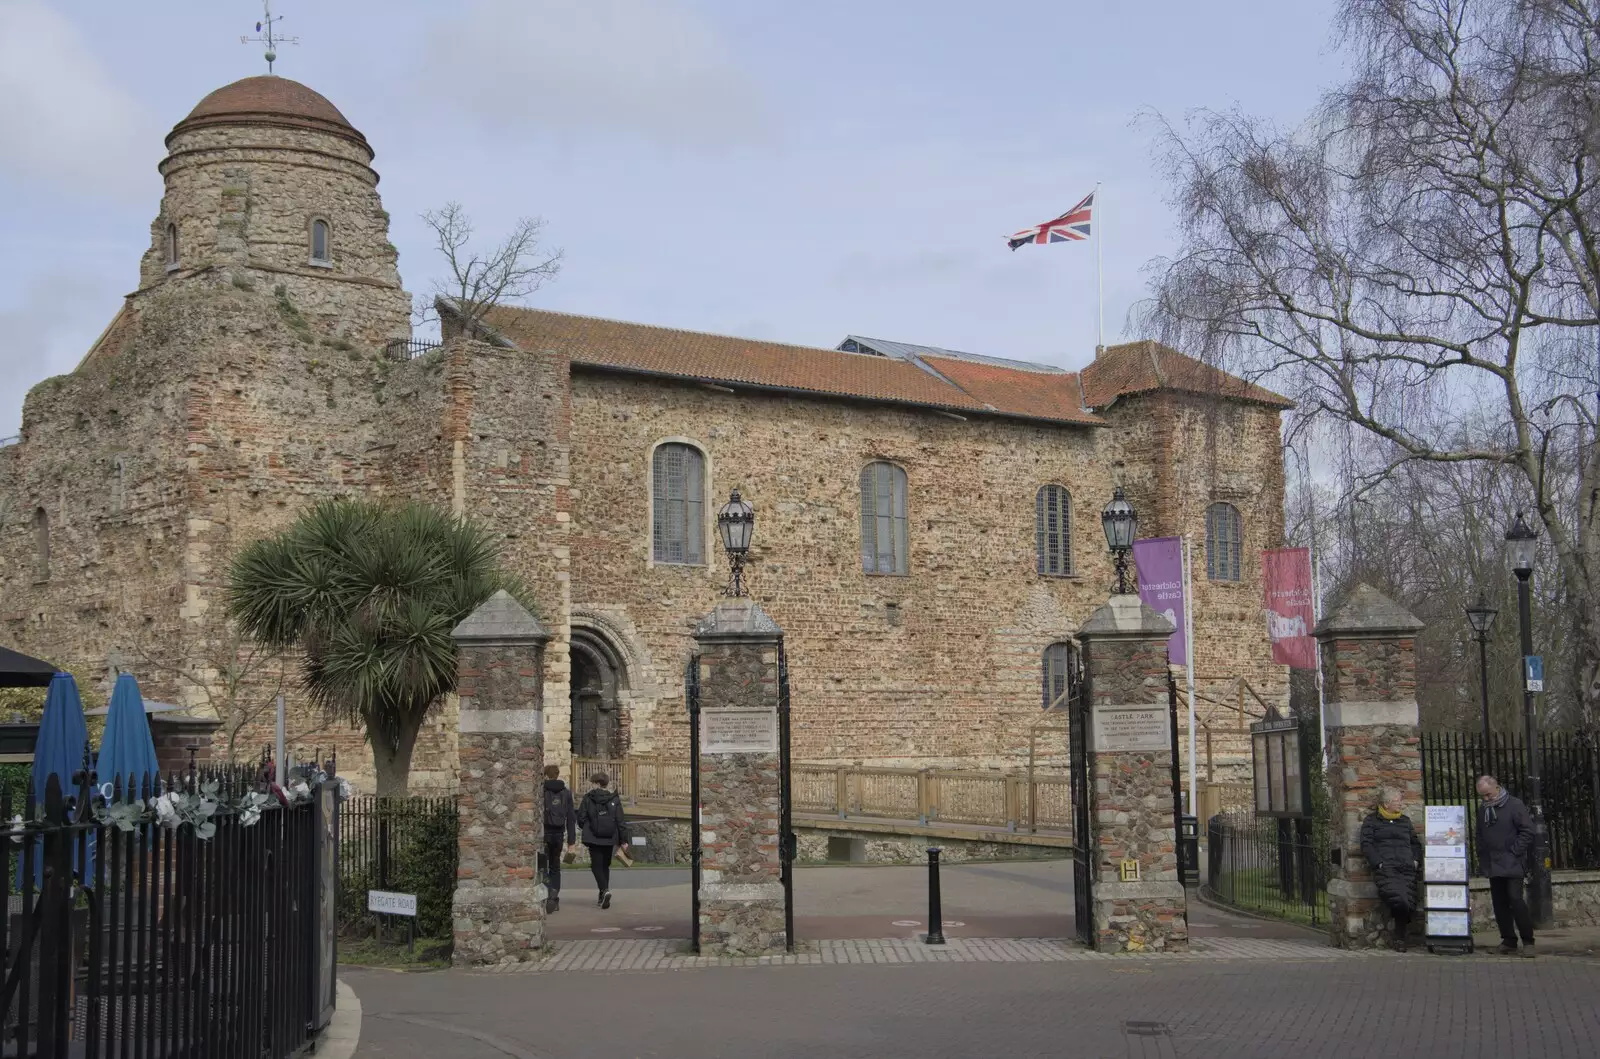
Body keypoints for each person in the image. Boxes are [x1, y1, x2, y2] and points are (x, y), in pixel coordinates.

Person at [1476, 774, 1536, 957]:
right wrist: (1483, 857)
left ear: (1497, 787)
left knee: (1516, 900)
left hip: (1512, 862)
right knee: (1499, 903)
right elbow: (1479, 834)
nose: (1486, 799)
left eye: (1488, 794)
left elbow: (1527, 830)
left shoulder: (1514, 805)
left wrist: (1515, 852)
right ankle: (1509, 940)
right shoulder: (1483, 810)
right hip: (1493, 863)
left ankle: (1528, 941)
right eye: (1483, 796)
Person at [1358, 788, 1423, 951]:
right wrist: (1378, 863)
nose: (1401, 803)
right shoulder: (1372, 821)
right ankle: (1398, 938)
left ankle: (1399, 939)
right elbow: (1367, 844)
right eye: (1397, 801)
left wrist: (1415, 861)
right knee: (1399, 900)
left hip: (1407, 868)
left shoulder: (1405, 821)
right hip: (1386, 869)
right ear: (1386, 804)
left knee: (1409, 903)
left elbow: (1415, 843)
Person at [576, 771, 628, 909]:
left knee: (595, 866)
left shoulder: (588, 798)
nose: (591, 785)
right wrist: (624, 840)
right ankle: (603, 894)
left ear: (597, 784)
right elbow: (620, 820)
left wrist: (587, 826)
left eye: (593, 783)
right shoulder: (614, 799)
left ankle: (604, 890)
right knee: (605, 865)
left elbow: (581, 817)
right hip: (610, 837)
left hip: (593, 837)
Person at [541, 764, 577, 913]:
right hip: (559, 834)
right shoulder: (566, 793)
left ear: (546, 775)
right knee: (555, 866)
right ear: (557, 774)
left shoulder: (542, 791)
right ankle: (554, 895)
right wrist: (571, 842)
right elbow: (571, 818)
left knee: (543, 867)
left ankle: (548, 893)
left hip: (544, 834)